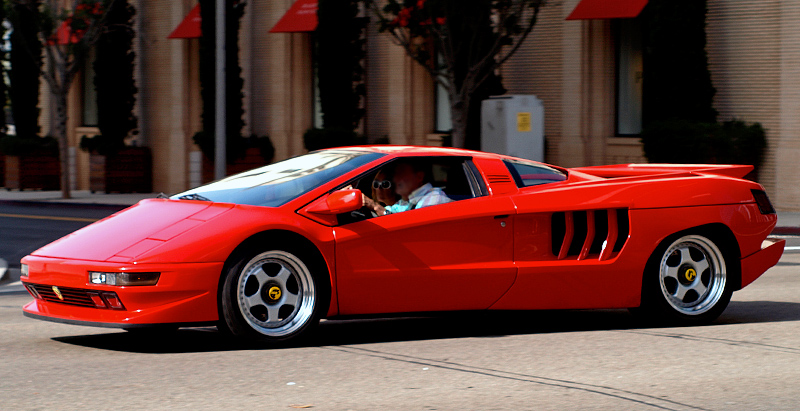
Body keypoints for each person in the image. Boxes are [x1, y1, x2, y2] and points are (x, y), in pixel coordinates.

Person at [363, 160, 451, 216]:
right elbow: (391, 211)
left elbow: (411, 229)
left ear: (419, 177)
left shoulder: (433, 200)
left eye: (402, 173)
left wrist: (374, 206)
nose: (396, 179)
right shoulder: (406, 202)